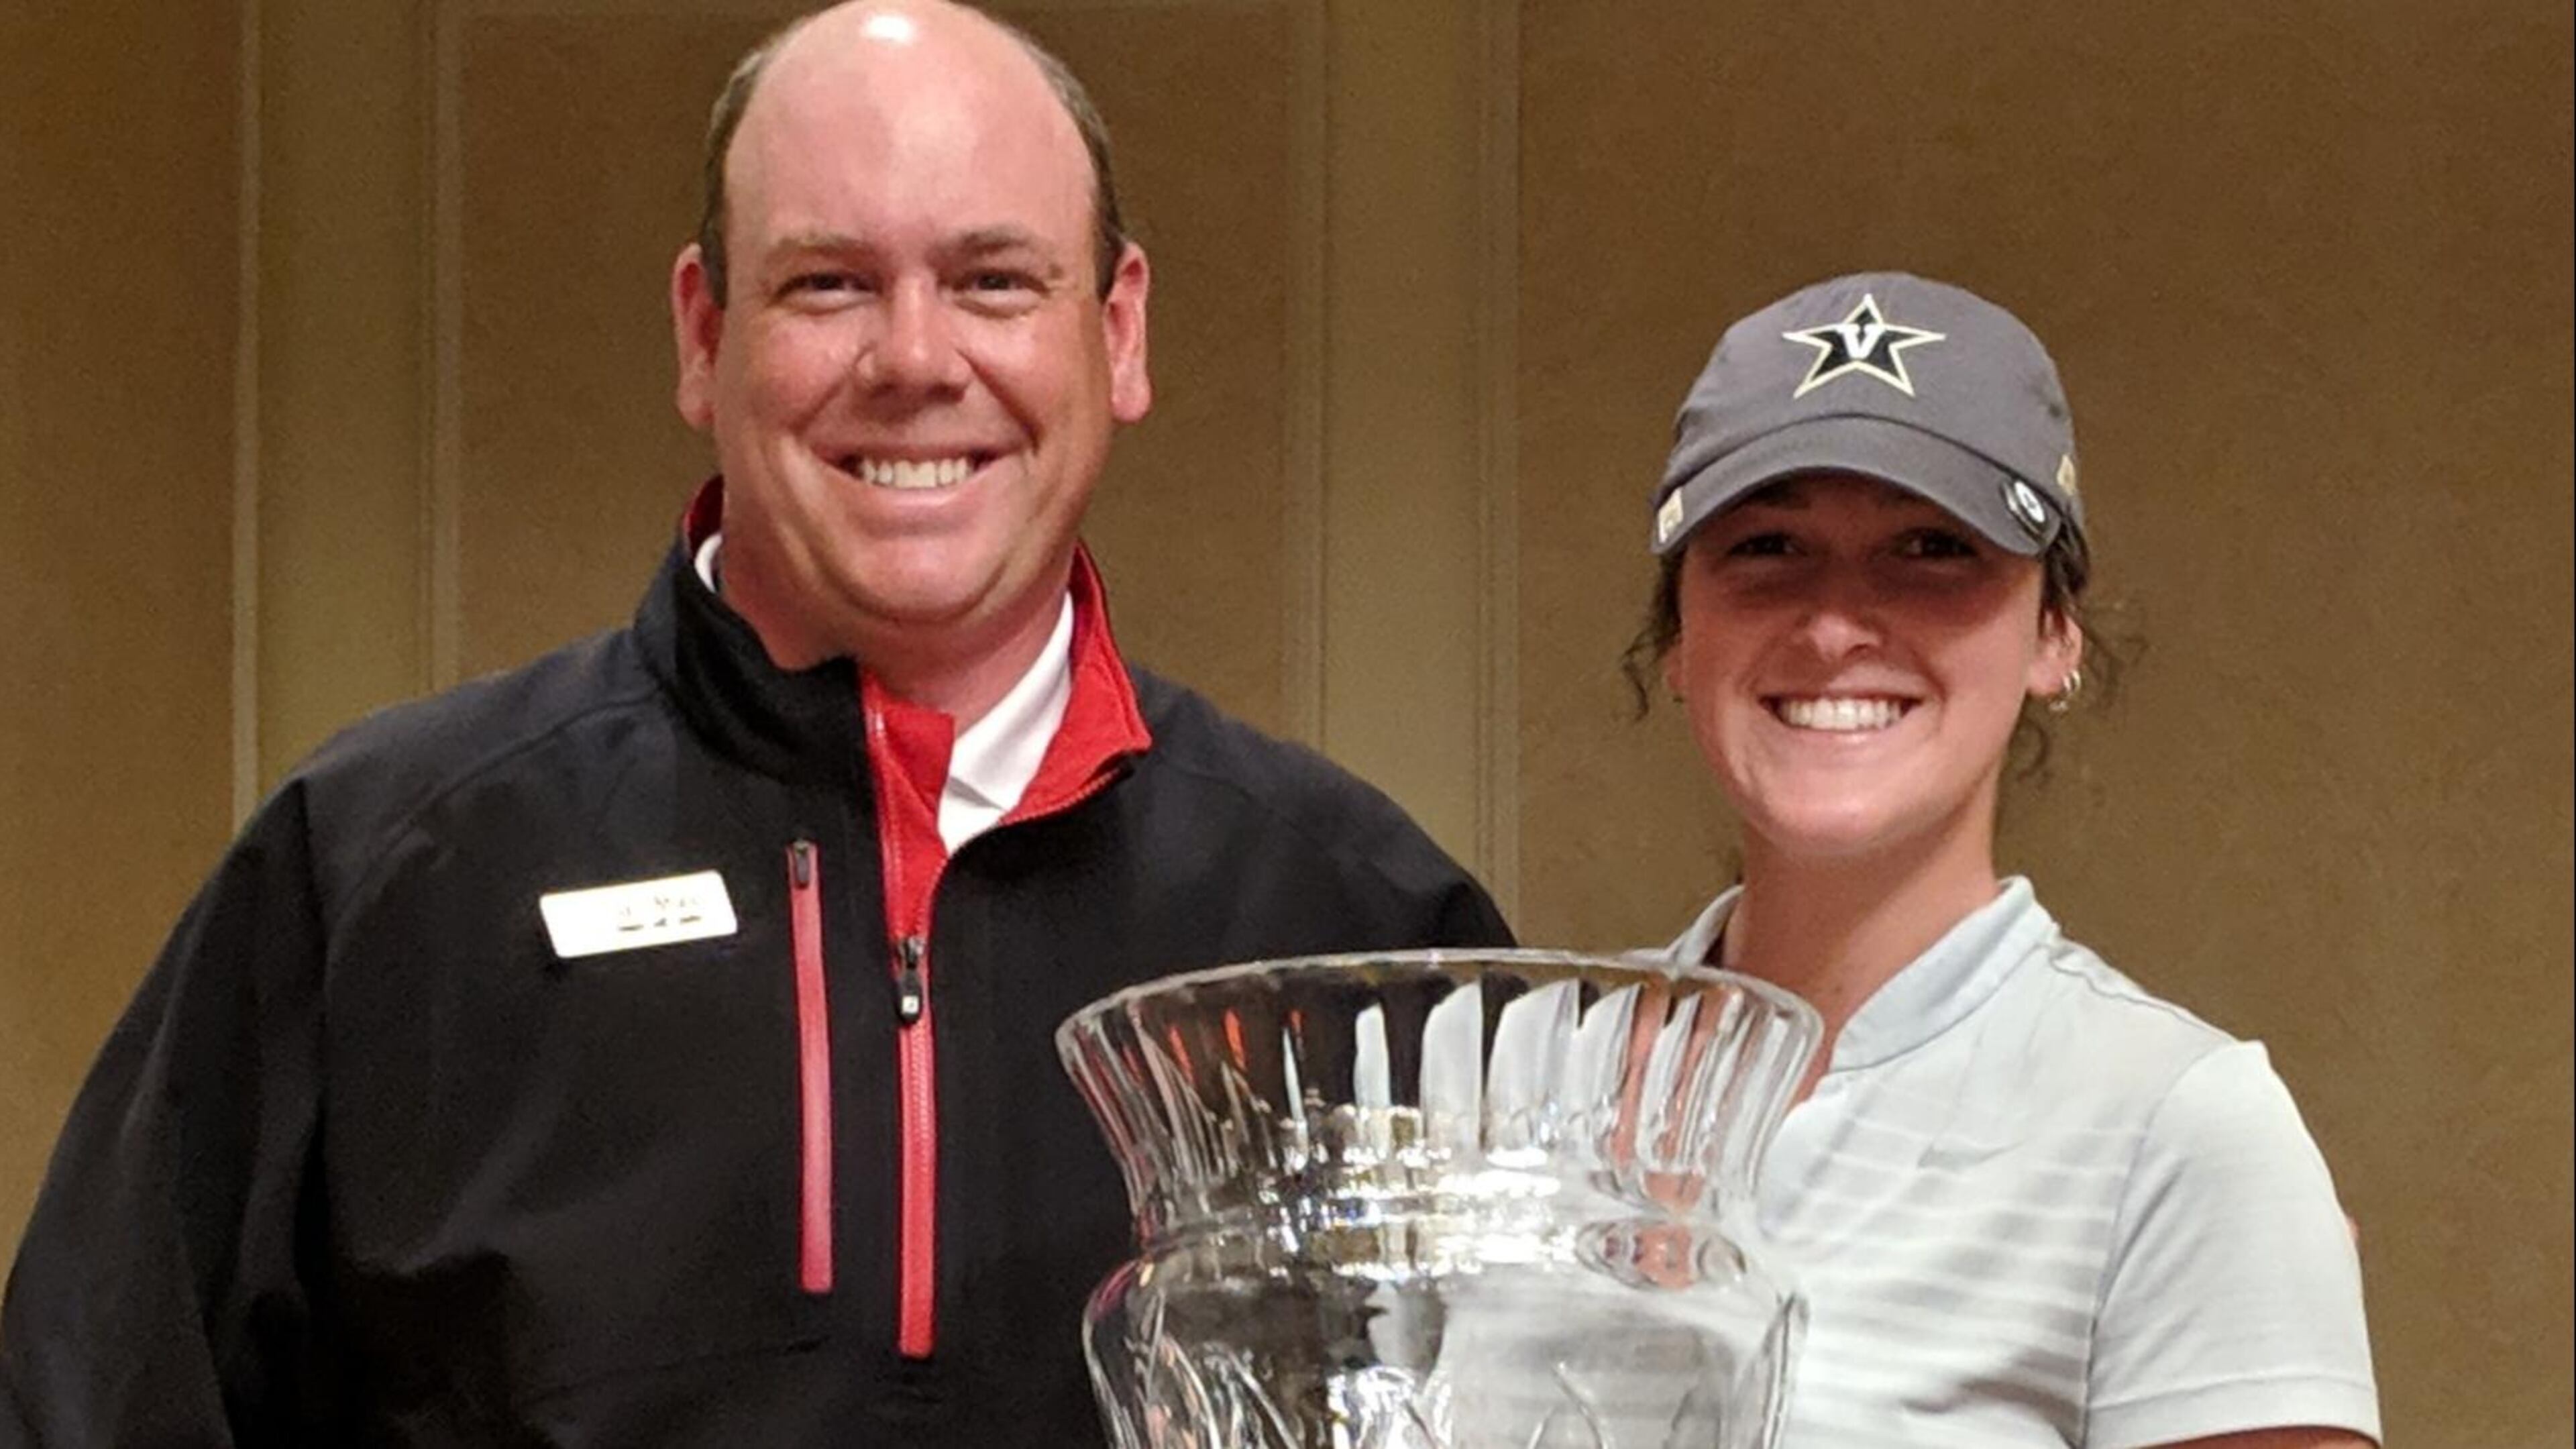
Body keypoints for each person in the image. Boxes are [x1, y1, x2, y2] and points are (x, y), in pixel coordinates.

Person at [0, 3, 1509, 1442]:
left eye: (993, 280)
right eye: (828, 283)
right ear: (700, 330)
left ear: (1116, 333)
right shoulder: (384, 875)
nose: (915, 359)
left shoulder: (1361, 930)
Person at [1629, 272, 2378, 1447]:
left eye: (1933, 549)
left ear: (2053, 636)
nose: (1834, 625)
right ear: (1681, 639)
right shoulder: (1501, 1072)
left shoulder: (2178, 1129)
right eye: (1766, 546)